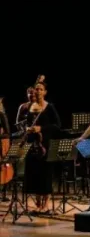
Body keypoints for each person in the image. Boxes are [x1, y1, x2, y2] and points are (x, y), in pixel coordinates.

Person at [23, 79, 61, 214]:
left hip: (45, 145)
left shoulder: (49, 107)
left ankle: (46, 205)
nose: (38, 91)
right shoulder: (30, 107)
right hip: (33, 144)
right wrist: (28, 129)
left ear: (45, 92)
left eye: (40, 89)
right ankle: (38, 204)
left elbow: (57, 125)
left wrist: (41, 128)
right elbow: (28, 123)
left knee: (45, 175)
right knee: (34, 174)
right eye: (36, 89)